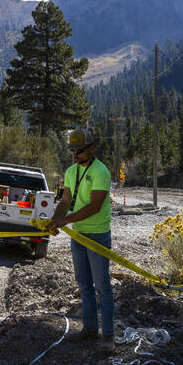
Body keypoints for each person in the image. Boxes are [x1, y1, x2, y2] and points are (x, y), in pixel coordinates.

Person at [46, 128, 115, 351]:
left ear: (91, 148)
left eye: (79, 150)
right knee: (84, 285)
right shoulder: (70, 171)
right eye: (72, 151)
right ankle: (90, 329)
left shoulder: (101, 172)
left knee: (102, 286)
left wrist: (64, 221)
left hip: (97, 235)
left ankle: (109, 336)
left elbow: (94, 206)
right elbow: (65, 201)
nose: (75, 155)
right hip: (78, 235)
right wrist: (56, 220)